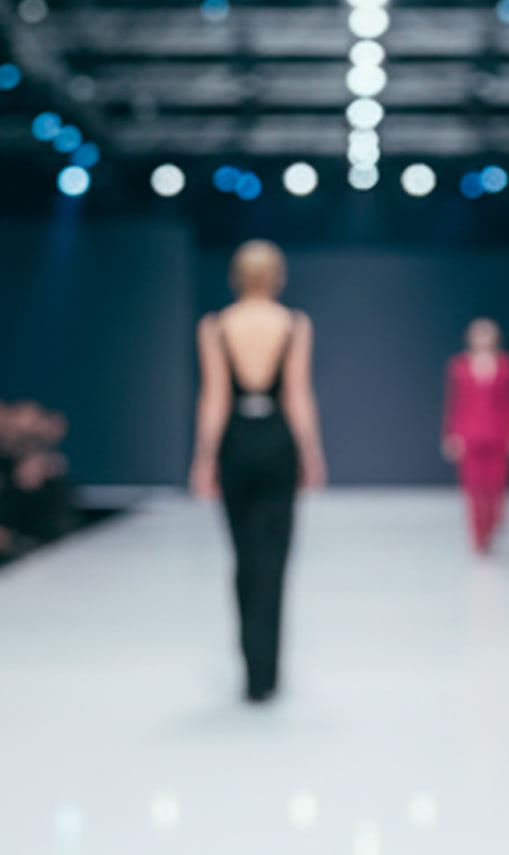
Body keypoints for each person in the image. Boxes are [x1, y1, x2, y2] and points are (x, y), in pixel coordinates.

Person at [189, 240, 326, 704]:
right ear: (277, 276)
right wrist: (312, 454)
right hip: (277, 442)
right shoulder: (293, 324)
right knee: (274, 556)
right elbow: (297, 395)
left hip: (235, 444)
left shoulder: (215, 326)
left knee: (244, 555)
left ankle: (251, 666)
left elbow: (214, 398)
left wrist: (204, 459)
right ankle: (267, 672)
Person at [443, 318, 509, 556]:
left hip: (499, 432)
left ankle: (493, 525)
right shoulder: (459, 366)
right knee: (472, 487)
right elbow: (454, 403)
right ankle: (478, 535)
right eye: (478, 335)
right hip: (469, 433)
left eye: (487, 334)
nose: (482, 339)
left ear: (495, 338)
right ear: (470, 338)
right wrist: (452, 434)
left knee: (497, 485)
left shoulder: (508, 366)